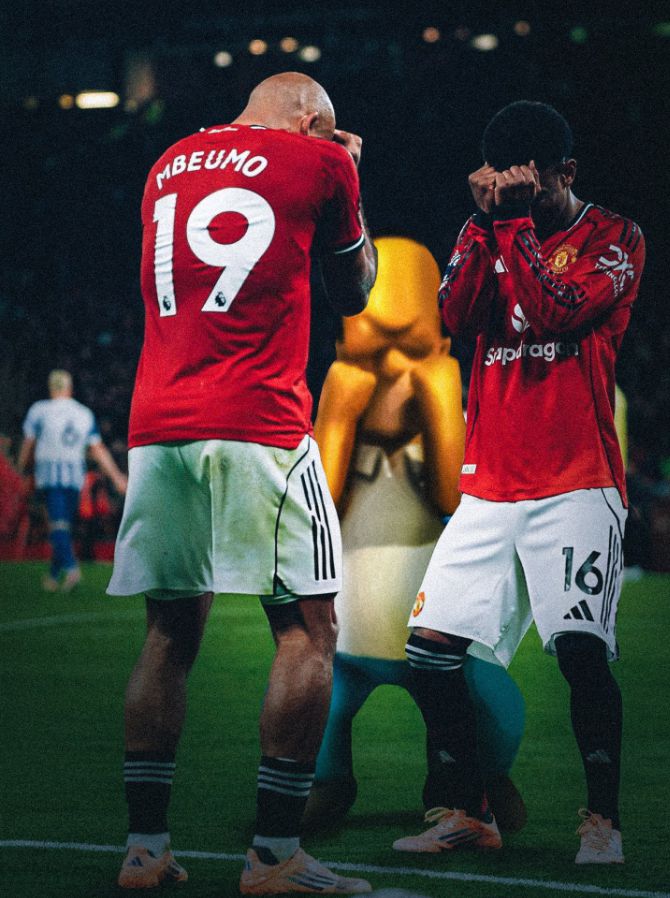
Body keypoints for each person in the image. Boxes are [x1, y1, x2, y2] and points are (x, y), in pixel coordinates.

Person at [107, 73, 377, 894]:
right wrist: (350, 174)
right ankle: (273, 855)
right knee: (309, 630)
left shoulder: (168, 161)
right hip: (259, 421)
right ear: (312, 119)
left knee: (168, 633)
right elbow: (355, 291)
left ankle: (144, 850)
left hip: (158, 425)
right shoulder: (322, 161)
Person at [392, 101, 645, 864]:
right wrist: (485, 224)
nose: (518, 198)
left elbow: (554, 312)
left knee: (578, 651)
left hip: (577, 481)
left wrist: (512, 225)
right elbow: (459, 316)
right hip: (491, 482)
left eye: (534, 187)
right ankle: (467, 811)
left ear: (567, 173)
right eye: (505, 186)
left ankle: (602, 821)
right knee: (428, 651)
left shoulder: (616, 239)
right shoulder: (486, 227)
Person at [303, 237, 526, 834]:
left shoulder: (445, 413)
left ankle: (470, 781)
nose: (393, 375)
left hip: (432, 618)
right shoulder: (338, 415)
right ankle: (327, 780)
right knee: (321, 700)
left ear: (442, 348)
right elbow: (320, 500)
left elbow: (453, 495)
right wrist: (338, 412)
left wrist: (441, 401)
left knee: (486, 703)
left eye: (411, 353)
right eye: (375, 356)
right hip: (350, 620)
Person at [16, 369, 127, 591]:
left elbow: (29, 443)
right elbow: (98, 449)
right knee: (63, 525)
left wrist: (20, 469)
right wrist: (117, 477)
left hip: (49, 474)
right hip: (75, 476)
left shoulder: (39, 410)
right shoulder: (83, 413)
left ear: (51, 387)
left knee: (57, 524)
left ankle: (71, 568)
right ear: (70, 388)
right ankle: (53, 576)